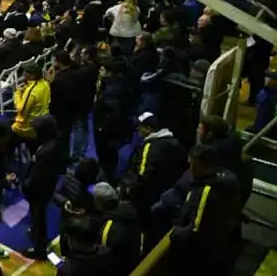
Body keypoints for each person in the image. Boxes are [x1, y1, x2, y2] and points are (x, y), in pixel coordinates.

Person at [167, 145, 242, 274]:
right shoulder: (228, 178)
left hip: (203, 254)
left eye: (194, 166)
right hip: (224, 246)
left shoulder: (207, 191)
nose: (190, 170)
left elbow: (195, 230)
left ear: (206, 166)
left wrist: (175, 233)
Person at [120, 112, 188, 241]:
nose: (138, 131)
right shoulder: (177, 144)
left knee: (145, 233)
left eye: (140, 128)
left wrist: (130, 189)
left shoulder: (150, 147)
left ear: (149, 129)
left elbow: (143, 175)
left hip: (146, 201)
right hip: (167, 198)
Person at [21, 115, 62, 259]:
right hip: (45, 186)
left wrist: (27, 185)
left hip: (40, 190)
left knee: (39, 216)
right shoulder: (52, 143)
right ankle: (36, 234)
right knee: (37, 214)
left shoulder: (46, 152)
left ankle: (40, 249)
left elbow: (39, 176)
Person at [91, 182, 141, 274]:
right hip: (136, 258)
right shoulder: (129, 208)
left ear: (99, 203)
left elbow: (106, 262)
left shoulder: (108, 231)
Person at [11, 64, 51, 142]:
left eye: (25, 73)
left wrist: (18, 93)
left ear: (32, 76)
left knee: (8, 130)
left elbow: (21, 110)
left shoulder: (31, 91)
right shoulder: (45, 84)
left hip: (28, 127)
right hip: (42, 120)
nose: (23, 75)